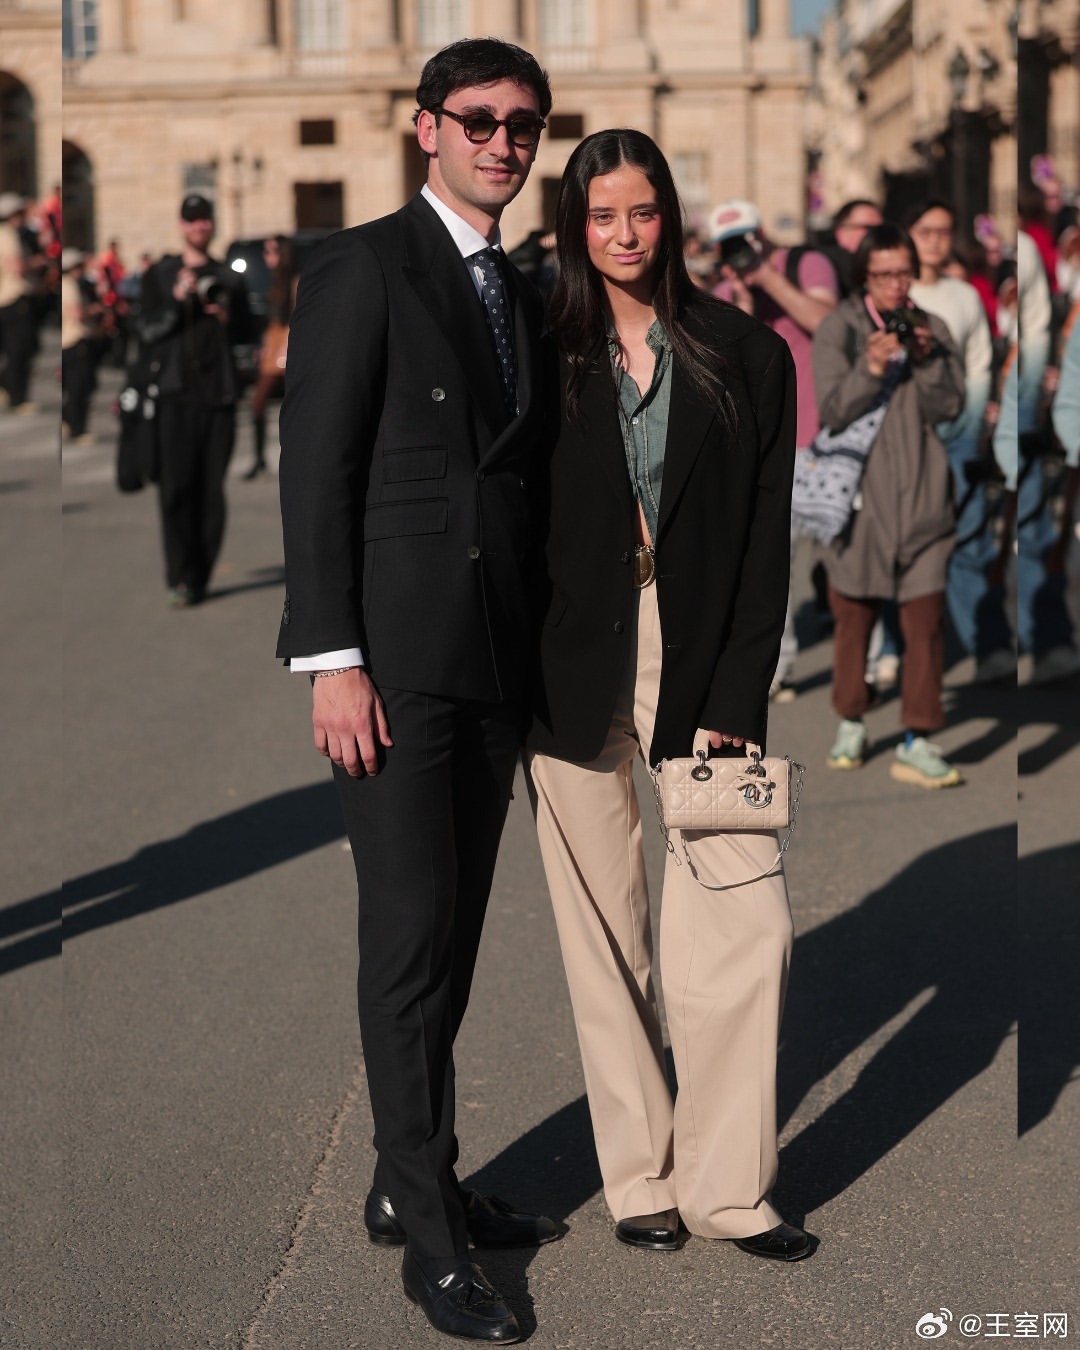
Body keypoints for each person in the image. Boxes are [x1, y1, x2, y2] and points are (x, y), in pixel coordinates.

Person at [275, 38, 559, 1346]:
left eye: (525, 124)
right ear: (425, 125)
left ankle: (413, 1176)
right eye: (481, 120)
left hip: (493, 657)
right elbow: (317, 466)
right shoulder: (359, 263)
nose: (505, 143)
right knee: (405, 943)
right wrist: (330, 658)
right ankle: (433, 1247)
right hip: (390, 663)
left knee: (454, 938)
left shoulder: (522, 282)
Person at [527, 129, 808, 1262]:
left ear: (672, 217)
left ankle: (729, 1189)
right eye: (601, 216)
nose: (625, 234)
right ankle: (641, 1173)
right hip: (566, 657)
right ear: (573, 228)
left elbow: (766, 538)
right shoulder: (539, 350)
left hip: (699, 656)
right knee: (604, 937)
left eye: (642, 211)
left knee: (746, 918)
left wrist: (741, 684)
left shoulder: (747, 351)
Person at [814, 223, 966, 787]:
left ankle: (918, 737)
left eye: (904, 273)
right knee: (853, 615)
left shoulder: (933, 328)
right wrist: (871, 369)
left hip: (924, 494)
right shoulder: (841, 328)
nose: (896, 285)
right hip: (860, 501)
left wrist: (925, 360)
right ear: (864, 276)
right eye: (884, 275)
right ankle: (851, 719)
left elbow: (951, 406)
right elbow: (832, 410)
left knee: (924, 621)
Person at [710, 199, 839, 700]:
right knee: (768, 564)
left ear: (761, 235)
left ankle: (874, 658)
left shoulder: (805, 265)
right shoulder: (725, 293)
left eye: (744, 241)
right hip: (766, 447)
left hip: (822, 439)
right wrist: (743, 297)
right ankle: (776, 667)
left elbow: (827, 324)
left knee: (845, 559)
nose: (739, 253)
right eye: (728, 247)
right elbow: (730, 364)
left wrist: (768, 279)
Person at [902, 199, 1008, 682]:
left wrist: (971, 422)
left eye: (944, 231)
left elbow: (980, 363)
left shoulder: (964, 295)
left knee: (971, 537)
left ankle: (987, 647)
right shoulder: (893, 292)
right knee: (906, 543)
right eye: (926, 231)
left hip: (960, 433)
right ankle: (902, 651)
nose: (935, 241)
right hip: (906, 437)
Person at [135, 194, 255, 607]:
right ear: (181, 225)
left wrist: (227, 318)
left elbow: (247, 333)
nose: (199, 226)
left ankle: (200, 574)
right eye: (192, 220)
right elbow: (145, 332)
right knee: (176, 489)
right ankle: (180, 577)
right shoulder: (161, 274)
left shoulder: (228, 278)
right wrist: (175, 298)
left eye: (205, 219)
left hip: (218, 396)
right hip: (174, 395)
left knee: (210, 491)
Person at [242, 234, 298, 479]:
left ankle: (292, 457)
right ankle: (259, 458)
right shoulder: (275, 280)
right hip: (273, 341)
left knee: (291, 402)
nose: (267, 257)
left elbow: (294, 318)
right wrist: (264, 346)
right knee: (258, 402)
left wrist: (285, 348)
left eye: (271, 251)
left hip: (285, 342)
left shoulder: (294, 280)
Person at [0, 192, 39, 415]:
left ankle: (8, 386)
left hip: (7, 299)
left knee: (16, 348)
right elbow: (17, 267)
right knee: (20, 350)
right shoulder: (8, 235)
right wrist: (37, 263)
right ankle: (17, 396)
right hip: (15, 298)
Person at [61, 248, 101, 443]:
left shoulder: (70, 285)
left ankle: (69, 420)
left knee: (76, 387)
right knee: (80, 387)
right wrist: (94, 310)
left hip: (71, 342)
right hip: (76, 341)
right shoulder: (69, 285)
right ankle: (77, 429)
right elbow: (77, 314)